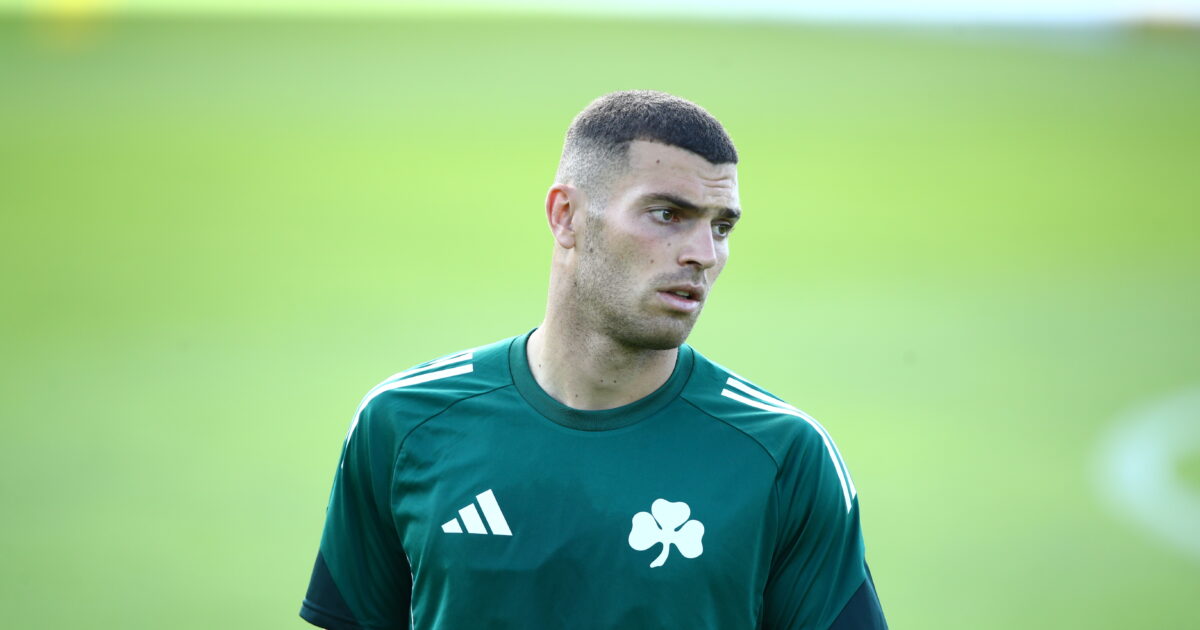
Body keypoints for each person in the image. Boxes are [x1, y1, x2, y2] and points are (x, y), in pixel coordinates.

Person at [300, 90, 887, 630]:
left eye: (722, 226)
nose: (704, 254)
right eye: (667, 214)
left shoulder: (782, 455)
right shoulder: (404, 422)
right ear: (566, 216)